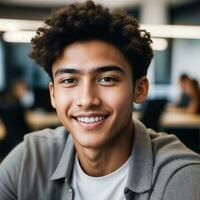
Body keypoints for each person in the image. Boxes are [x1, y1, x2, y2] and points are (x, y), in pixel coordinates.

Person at [0, 1, 200, 199]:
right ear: (53, 94)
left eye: (107, 79)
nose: (86, 100)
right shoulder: (29, 159)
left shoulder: (183, 178)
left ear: (139, 89)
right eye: (69, 80)